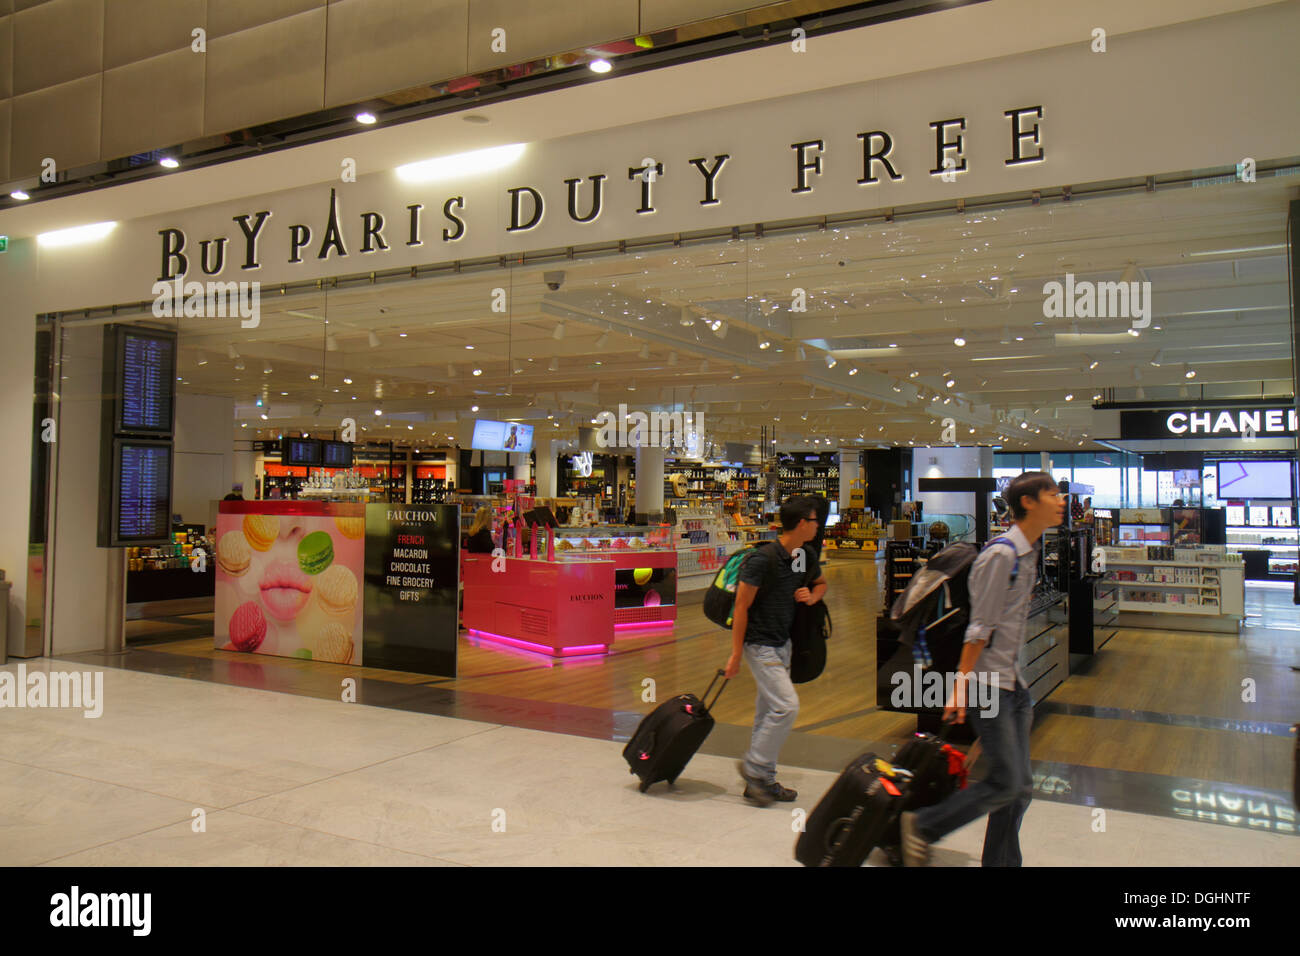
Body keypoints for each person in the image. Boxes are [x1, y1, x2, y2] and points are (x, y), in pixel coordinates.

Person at [900, 470, 1064, 867]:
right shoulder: (1002, 555)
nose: (1061, 500)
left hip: (1013, 684)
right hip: (988, 685)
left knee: (1019, 788)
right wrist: (961, 687)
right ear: (1028, 502)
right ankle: (922, 825)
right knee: (1006, 782)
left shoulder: (1029, 551)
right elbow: (979, 628)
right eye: (1053, 493)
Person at [725, 494, 828, 806]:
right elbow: (741, 607)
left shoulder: (803, 556)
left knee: (768, 711)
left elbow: (821, 583)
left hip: (784, 644)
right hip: (760, 645)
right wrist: (735, 654)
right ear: (800, 524)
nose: (817, 525)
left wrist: (810, 595)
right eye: (813, 520)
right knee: (786, 706)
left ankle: (762, 783)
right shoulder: (762, 560)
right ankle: (755, 766)